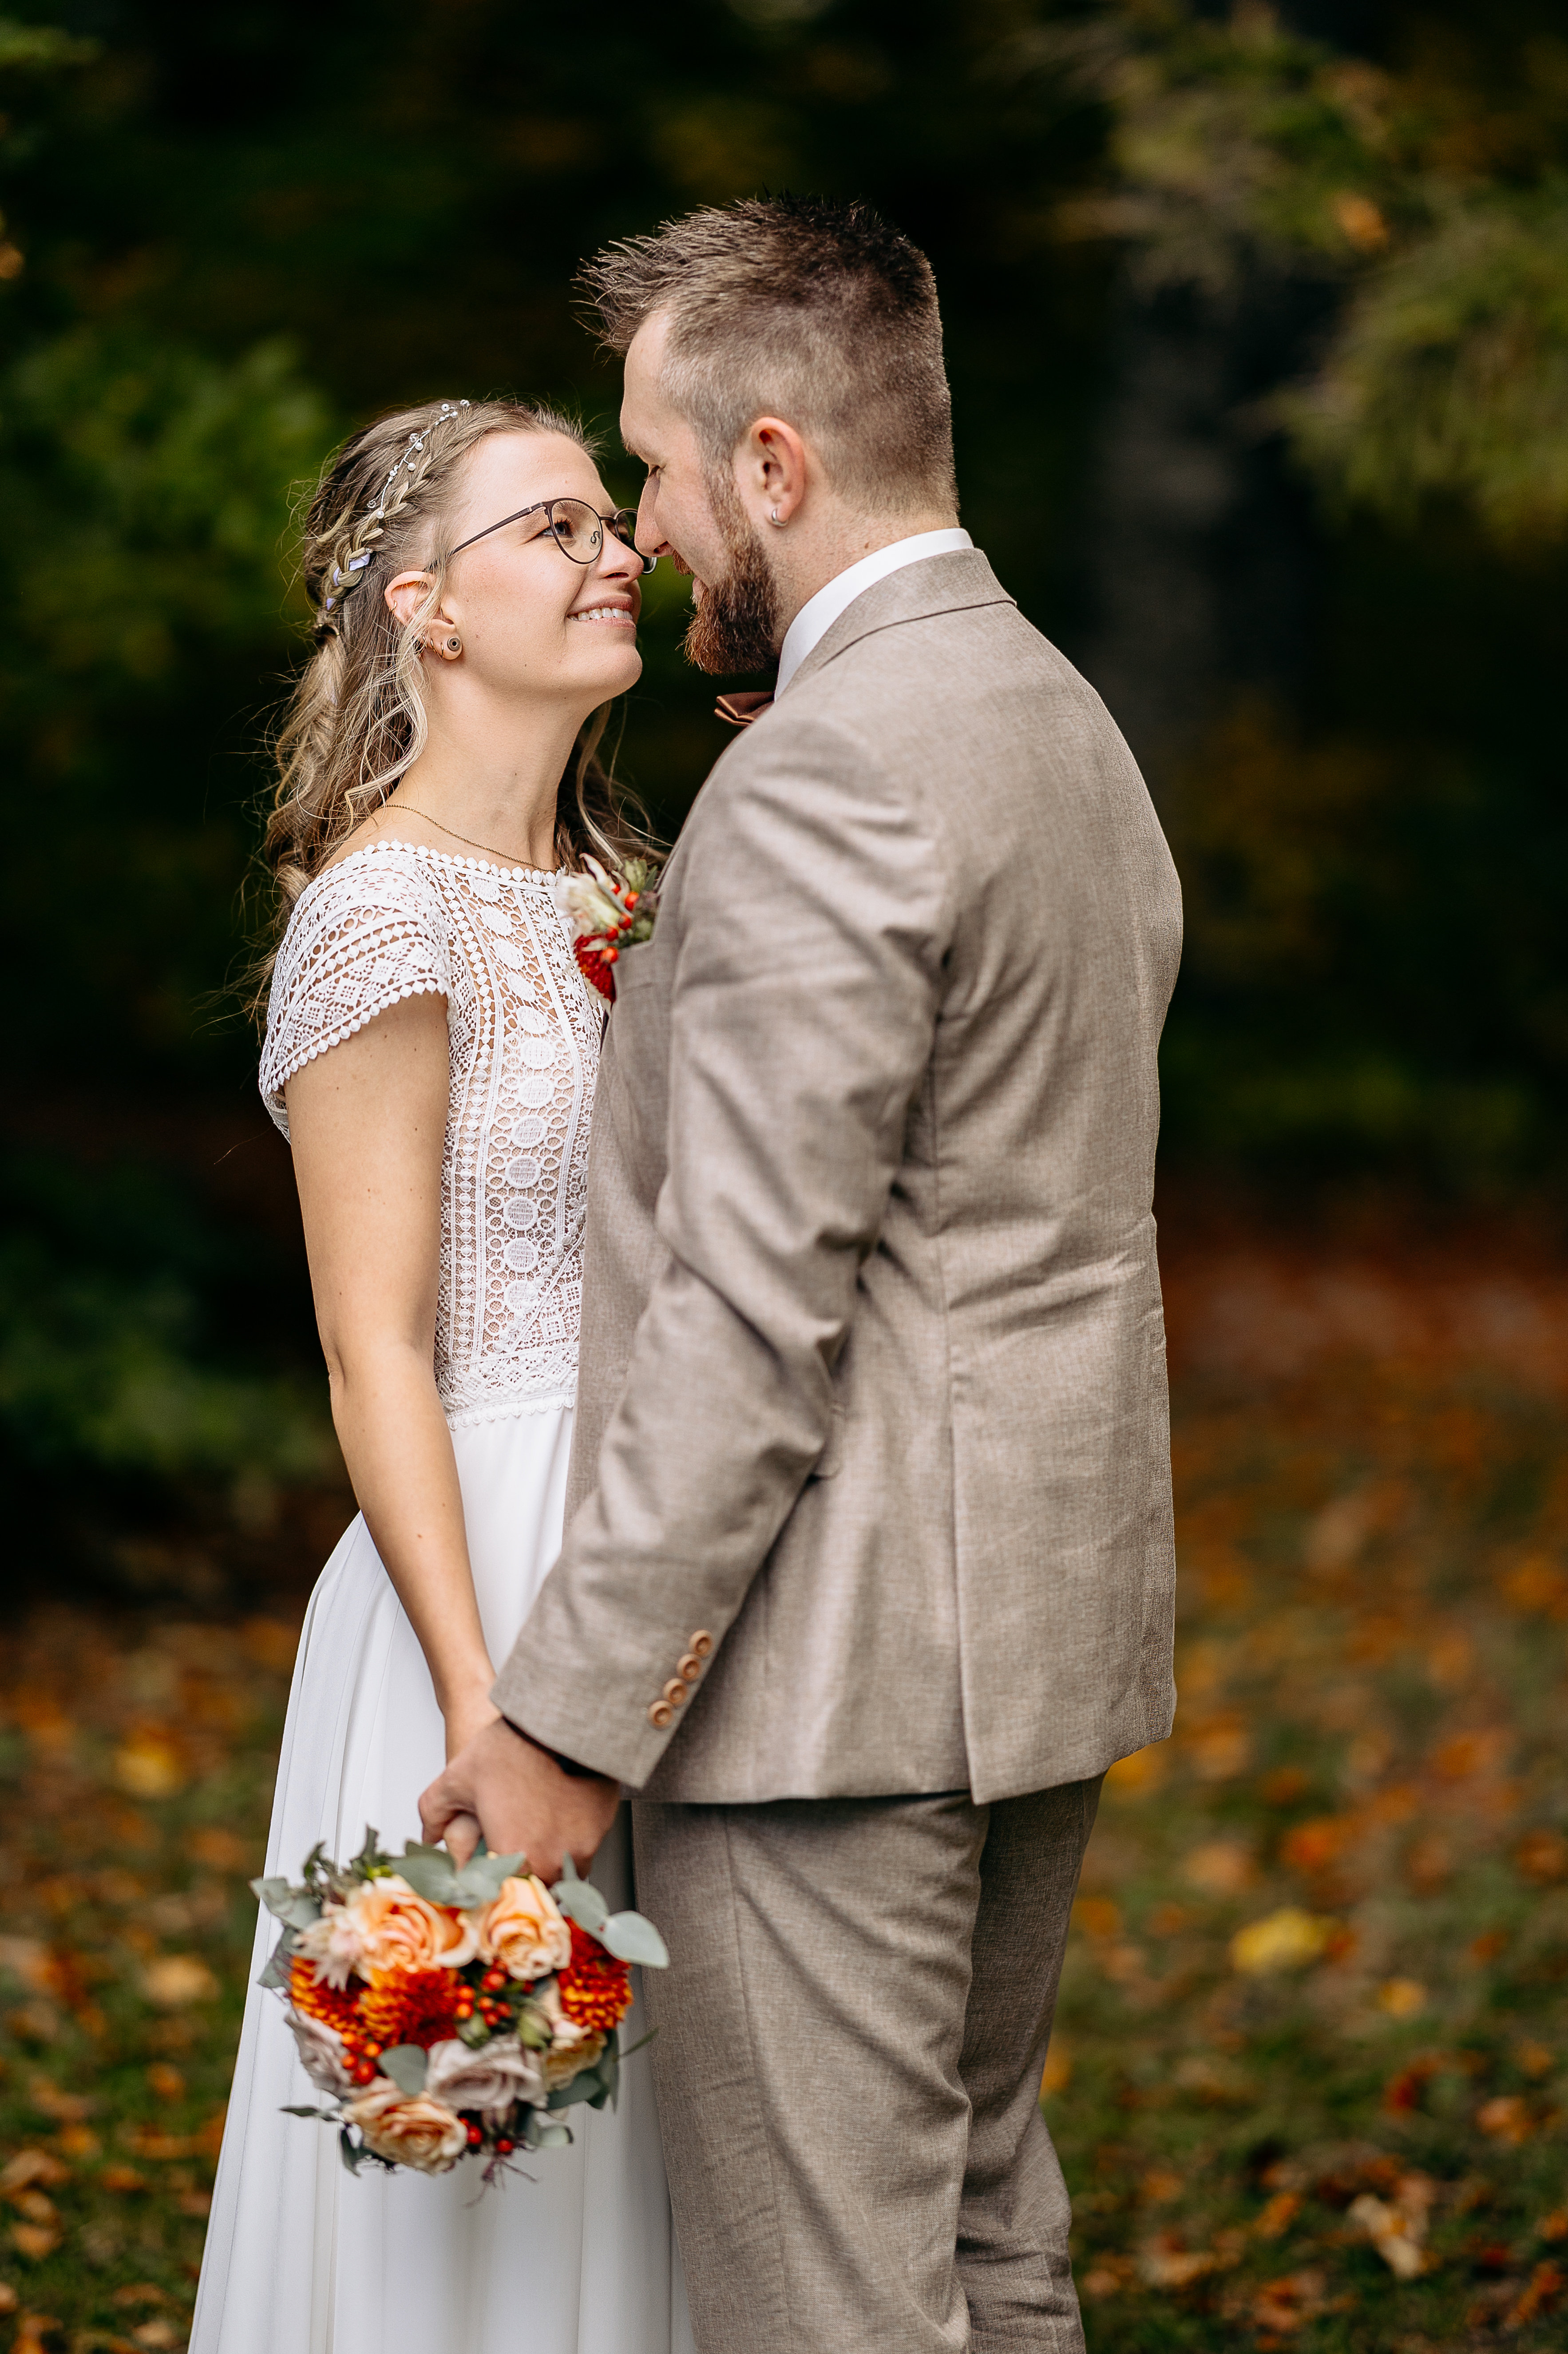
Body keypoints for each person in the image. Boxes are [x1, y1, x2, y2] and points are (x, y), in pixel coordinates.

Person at [423, 198, 1185, 2354]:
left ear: (774, 465)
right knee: (974, 2234)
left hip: (830, 1688)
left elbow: (757, 1317)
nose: (644, 529)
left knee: (826, 2303)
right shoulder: (1057, 720)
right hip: (1033, 1625)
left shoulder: (824, 773)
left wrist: (573, 1716)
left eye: (656, 469)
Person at [190, 397, 693, 2354]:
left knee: (649, 2143)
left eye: (608, 515)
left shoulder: (627, 892)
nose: (611, 550)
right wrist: (491, 1702)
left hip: (656, 1556)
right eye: (550, 525)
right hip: (472, 1578)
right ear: (430, 610)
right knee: (485, 2160)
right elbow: (369, 1341)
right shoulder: (380, 911)